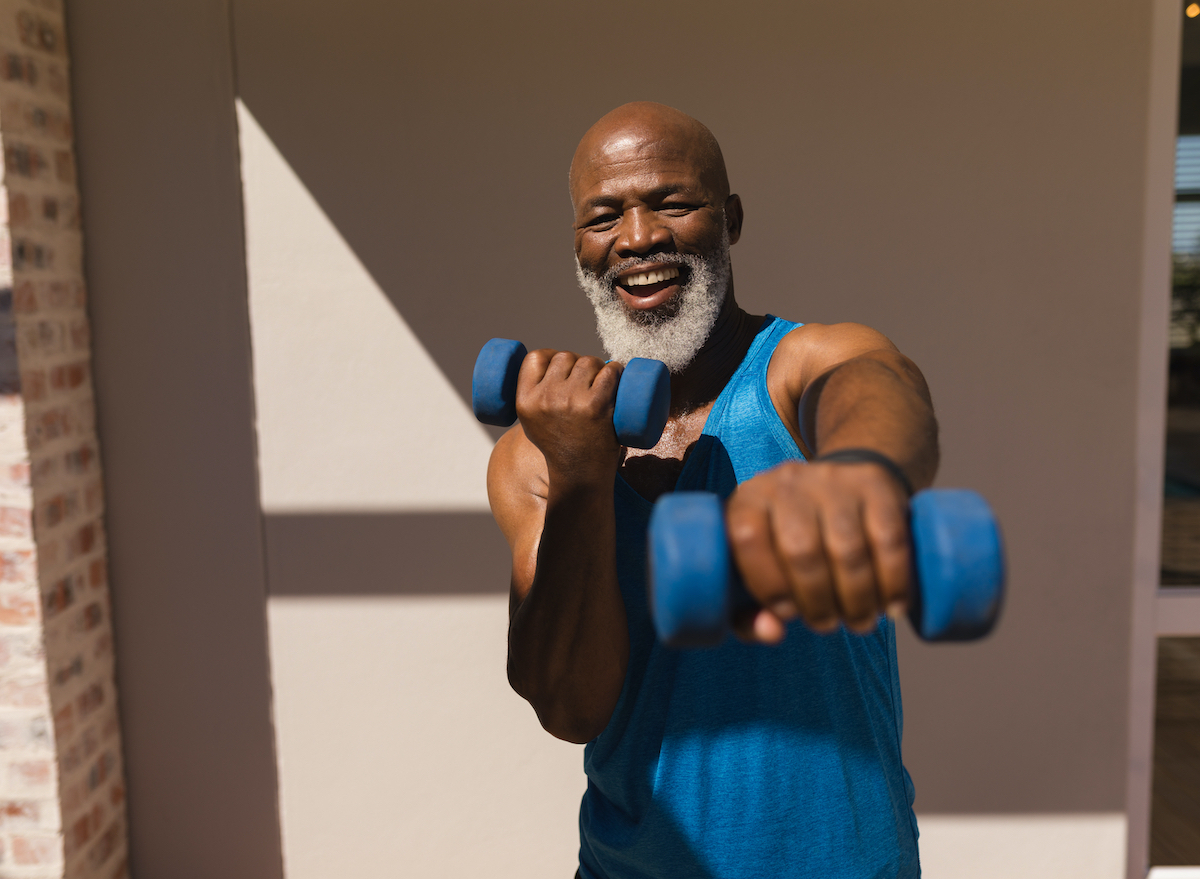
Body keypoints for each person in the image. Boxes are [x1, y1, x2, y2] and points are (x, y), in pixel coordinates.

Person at [487, 101, 938, 879]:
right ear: (579, 246)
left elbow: (877, 385)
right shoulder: (535, 455)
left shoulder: (796, 367)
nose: (638, 238)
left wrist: (861, 473)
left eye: (672, 202)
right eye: (604, 217)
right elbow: (569, 706)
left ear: (728, 218)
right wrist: (585, 482)